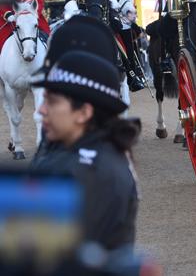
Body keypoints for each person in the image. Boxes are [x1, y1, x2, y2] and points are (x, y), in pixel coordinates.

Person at [30, 49, 140, 251]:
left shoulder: (90, 173)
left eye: (52, 101)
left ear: (83, 113)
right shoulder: (90, 153)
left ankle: (134, 70)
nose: (40, 110)